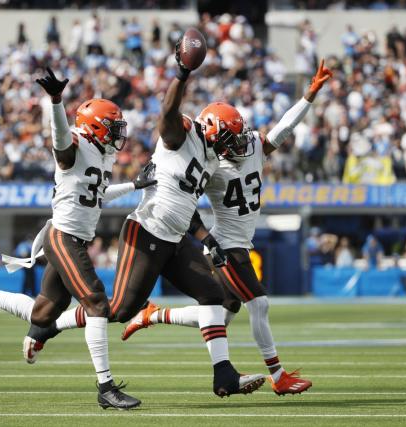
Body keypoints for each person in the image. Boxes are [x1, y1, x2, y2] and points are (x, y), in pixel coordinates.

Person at [22, 39, 266, 398]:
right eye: (227, 137)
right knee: (117, 310)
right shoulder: (182, 135)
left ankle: (224, 375)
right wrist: (182, 74)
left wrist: (206, 237)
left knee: (215, 295)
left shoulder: (214, 160)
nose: (232, 145)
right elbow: (167, 113)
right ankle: (50, 327)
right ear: (211, 130)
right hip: (147, 231)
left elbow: (184, 201)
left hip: (177, 235)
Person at [0, 68, 157, 410]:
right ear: (96, 128)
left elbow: (97, 195)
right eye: (113, 128)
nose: (119, 135)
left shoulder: (102, 155)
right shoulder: (74, 146)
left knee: (43, 314)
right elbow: (59, 141)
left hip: (73, 238)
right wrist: (55, 101)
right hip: (63, 237)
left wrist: (135, 186)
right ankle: (106, 387)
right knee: (97, 303)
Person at [120, 60, 332, 397]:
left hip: (239, 243)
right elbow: (184, 201)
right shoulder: (209, 165)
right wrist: (205, 238)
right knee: (259, 304)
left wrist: (308, 96)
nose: (238, 143)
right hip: (225, 246)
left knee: (217, 316)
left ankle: (153, 314)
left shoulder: (252, 147)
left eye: (239, 136)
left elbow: (283, 129)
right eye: (230, 138)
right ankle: (278, 376)